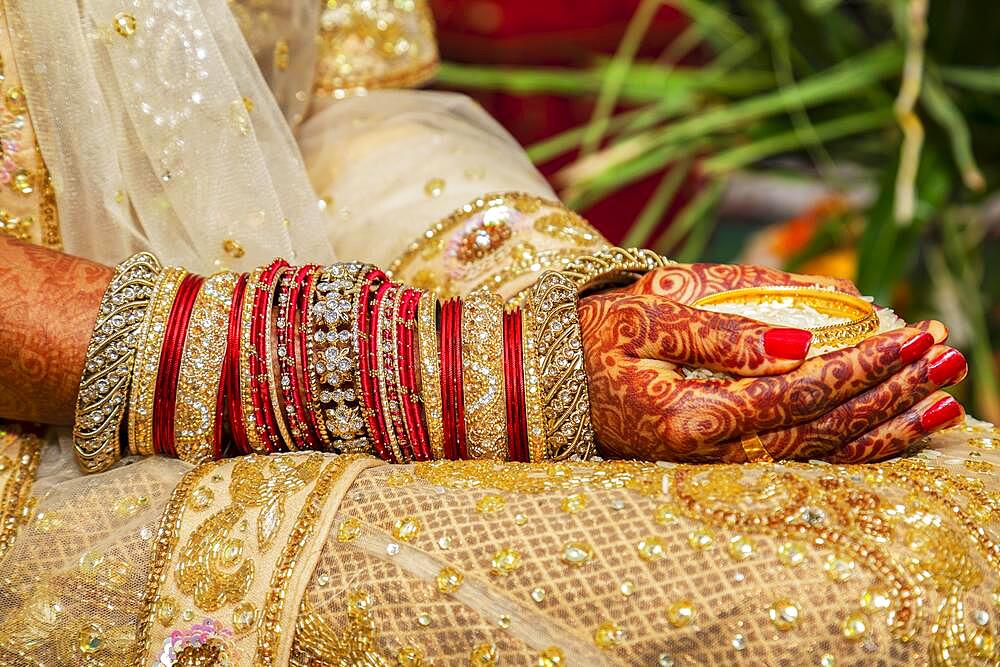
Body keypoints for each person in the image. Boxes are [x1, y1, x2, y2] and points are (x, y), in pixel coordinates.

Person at [0, 1, 995, 664]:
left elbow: (339, 103)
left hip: (302, 348)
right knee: (859, 602)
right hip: (38, 473)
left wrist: (564, 300)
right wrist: (479, 372)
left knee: (955, 504)